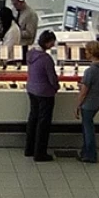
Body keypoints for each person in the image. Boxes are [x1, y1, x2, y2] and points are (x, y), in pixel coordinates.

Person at [74, 40, 99, 164]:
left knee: (88, 129)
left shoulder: (90, 71)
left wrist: (77, 106)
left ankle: (90, 155)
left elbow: (84, 91)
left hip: (89, 103)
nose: (85, 53)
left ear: (91, 53)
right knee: (89, 126)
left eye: (86, 51)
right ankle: (86, 152)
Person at [24, 30, 60, 163]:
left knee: (33, 118)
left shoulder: (31, 53)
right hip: (45, 93)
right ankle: (40, 153)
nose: (53, 45)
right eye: (52, 42)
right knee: (43, 123)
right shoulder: (46, 59)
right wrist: (56, 87)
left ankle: (29, 149)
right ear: (47, 42)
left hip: (32, 89)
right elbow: (52, 78)